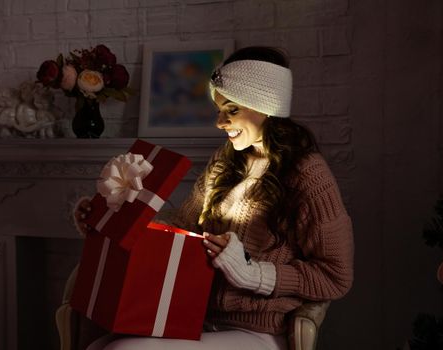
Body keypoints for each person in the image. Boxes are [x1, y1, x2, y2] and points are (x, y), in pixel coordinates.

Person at [73, 46, 354, 350]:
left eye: (231, 110)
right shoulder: (225, 160)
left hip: (258, 331)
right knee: (97, 345)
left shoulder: (308, 173)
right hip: (196, 318)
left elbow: (335, 275)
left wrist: (252, 273)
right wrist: (110, 218)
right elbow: (182, 227)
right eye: (218, 109)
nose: (220, 122)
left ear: (266, 107)